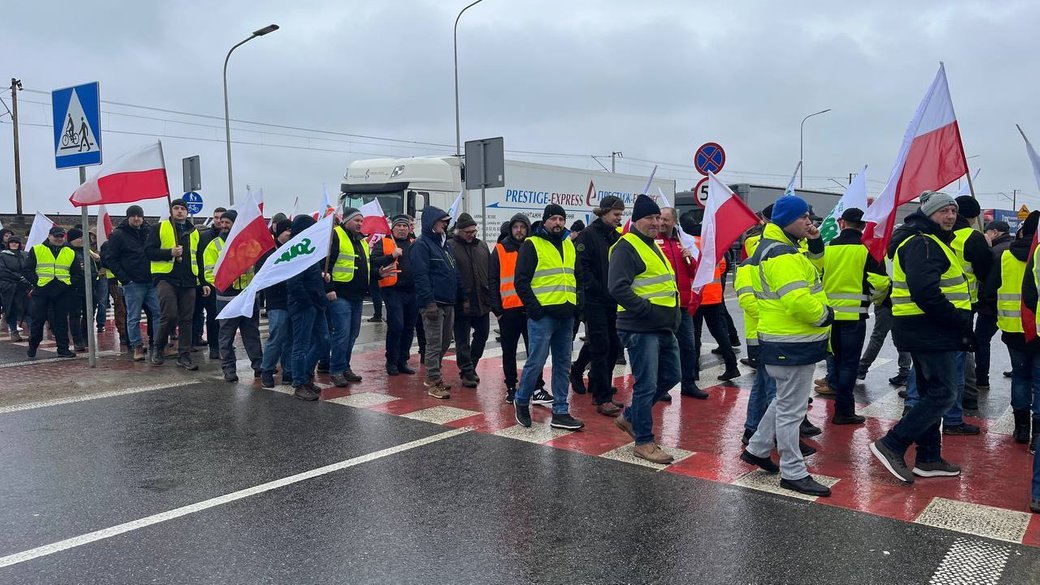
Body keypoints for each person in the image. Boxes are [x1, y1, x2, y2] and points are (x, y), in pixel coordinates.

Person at [871, 191, 971, 484]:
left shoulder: (929, 240)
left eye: (953, 211)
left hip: (924, 329)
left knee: (932, 393)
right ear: (928, 214)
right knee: (944, 393)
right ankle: (892, 443)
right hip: (930, 330)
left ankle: (928, 458)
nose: (950, 216)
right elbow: (925, 292)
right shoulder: (923, 242)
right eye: (943, 211)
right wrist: (958, 320)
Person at [740, 195, 834, 497]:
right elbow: (796, 300)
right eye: (804, 216)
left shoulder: (778, 248)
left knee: (783, 402)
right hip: (792, 341)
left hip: (784, 340)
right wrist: (824, 315)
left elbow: (814, 270)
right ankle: (793, 472)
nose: (810, 221)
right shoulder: (783, 254)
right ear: (787, 220)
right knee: (792, 410)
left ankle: (757, 448)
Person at [609, 195, 681, 463]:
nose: (656, 223)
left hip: (661, 327)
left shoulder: (652, 245)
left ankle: (629, 417)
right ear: (636, 220)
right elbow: (617, 287)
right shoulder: (627, 247)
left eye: (658, 218)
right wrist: (647, 311)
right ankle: (644, 442)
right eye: (650, 218)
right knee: (647, 384)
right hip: (640, 328)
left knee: (672, 375)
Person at [512, 204, 585, 431]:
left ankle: (561, 411)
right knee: (536, 361)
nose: (558, 223)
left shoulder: (569, 244)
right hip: (543, 316)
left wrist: (577, 306)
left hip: (566, 316)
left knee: (563, 365)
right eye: (553, 219)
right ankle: (522, 400)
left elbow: (578, 277)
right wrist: (535, 309)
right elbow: (521, 281)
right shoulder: (532, 244)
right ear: (545, 221)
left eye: (561, 219)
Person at [818, 208, 890, 424]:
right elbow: (880, 283)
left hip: (829, 317)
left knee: (835, 360)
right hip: (855, 318)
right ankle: (844, 411)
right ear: (863, 225)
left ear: (843, 223)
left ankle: (838, 405)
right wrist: (874, 300)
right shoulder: (868, 250)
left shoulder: (828, 248)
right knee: (849, 364)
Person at [572, 196, 625, 414]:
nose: (619, 218)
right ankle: (602, 397)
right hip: (595, 301)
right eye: (616, 214)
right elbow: (582, 268)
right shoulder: (588, 235)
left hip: (614, 301)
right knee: (602, 346)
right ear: (603, 213)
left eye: (621, 215)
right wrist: (596, 289)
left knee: (614, 347)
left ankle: (588, 376)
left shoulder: (616, 236)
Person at [490, 213, 545, 404]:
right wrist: (497, 310)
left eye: (522, 227)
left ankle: (537, 387)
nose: (519, 230)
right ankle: (511, 387)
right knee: (509, 351)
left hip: (530, 308)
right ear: (510, 229)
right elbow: (493, 281)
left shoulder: (534, 247)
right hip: (509, 310)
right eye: (515, 227)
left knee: (535, 351)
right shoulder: (500, 250)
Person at [146, 198, 208, 370]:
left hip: (188, 279)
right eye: (176, 208)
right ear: (171, 211)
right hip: (166, 277)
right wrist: (169, 252)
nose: (179, 211)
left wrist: (203, 281)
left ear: (187, 212)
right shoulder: (159, 227)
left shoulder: (194, 232)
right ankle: (158, 347)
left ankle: (184, 355)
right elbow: (148, 252)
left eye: (182, 208)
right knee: (170, 314)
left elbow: (199, 258)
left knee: (187, 319)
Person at [203, 209, 263, 382]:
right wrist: (225, 281)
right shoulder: (214, 246)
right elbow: (209, 272)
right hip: (226, 297)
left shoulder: (251, 244)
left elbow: (258, 267)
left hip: (247, 295)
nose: (223, 226)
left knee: (251, 333)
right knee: (226, 336)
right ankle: (229, 369)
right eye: (221, 222)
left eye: (227, 222)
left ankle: (258, 366)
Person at [411, 206, 462, 399]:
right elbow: (421, 275)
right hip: (433, 303)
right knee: (433, 343)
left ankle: (432, 374)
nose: (446, 223)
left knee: (445, 341)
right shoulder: (421, 245)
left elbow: (453, 271)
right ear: (432, 222)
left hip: (448, 302)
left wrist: (460, 296)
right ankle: (434, 380)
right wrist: (428, 302)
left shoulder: (444, 245)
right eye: (442, 220)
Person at [656, 208, 704, 400]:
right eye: (660, 219)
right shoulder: (654, 243)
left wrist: (689, 258)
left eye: (666, 219)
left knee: (688, 346)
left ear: (675, 222)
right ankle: (661, 386)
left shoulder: (680, 243)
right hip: (664, 305)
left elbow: (694, 272)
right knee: (662, 347)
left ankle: (689, 383)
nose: (661, 222)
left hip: (683, 305)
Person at [106, 205, 161, 361]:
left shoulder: (149, 231)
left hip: (151, 280)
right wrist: (125, 278)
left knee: (158, 313)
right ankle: (137, 346)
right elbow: (111, 258)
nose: (137, 219)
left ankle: (158, 345)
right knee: (133, 316)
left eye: (139, 216)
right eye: (133, 216)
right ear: (128, 217)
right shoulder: (118, 235)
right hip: (132, 283)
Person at [287, 214, 330, 400]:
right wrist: (309, 302)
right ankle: (299, 382)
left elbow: (309, 277)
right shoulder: (298, 251)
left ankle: (305, 375)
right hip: (304, 305)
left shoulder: (309, 249)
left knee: (324, 341)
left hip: (316, 304)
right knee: (301, 345)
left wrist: (321, 277)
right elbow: (293, 283)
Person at [691, 224, 741, 382]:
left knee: (695, 335)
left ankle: (694, 370)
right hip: (714, 296)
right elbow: (723, 266)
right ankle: (731, 366)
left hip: (697, 296)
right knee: (720, 333)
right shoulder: (712, 245)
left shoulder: (689, 245)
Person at [370, 214, 418, 376]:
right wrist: (392, 256)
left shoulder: (414, 243)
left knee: (409, 327)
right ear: (393, 228)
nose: (402, 229)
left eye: (405, 226)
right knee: (396, 326)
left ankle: (402, 360)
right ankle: (391, 360)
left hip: (413, 291)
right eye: (399, 226)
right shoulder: (384, 242)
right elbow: (373, 261)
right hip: (393, 291)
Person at [448, 213, 491, 388]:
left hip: (481, 300)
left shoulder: (482, 246)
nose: (472, 234)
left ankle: (471, 365)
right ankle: (466, 371)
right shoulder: (450, 246)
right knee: (462, 339)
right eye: (468, 231)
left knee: (482, 334)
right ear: (459, 231)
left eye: (474, 230)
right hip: (461, 301)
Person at [1010, 213, 1040, 449]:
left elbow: (991, 288)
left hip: (1013, 328)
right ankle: (1037, 438)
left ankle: (1021, 430)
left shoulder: (1005, 255)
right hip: (1037, 329)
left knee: (1020, 376)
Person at [25, 226, 77, 359]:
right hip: (42, 290)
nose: (59, 239)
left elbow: (77, 273)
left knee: (61, 322)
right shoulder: (37, 249)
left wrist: (68, 284)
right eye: (56, 236)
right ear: (49, 236)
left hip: (62, 291)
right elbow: (27, 269)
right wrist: (37, 283)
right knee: (38, 321)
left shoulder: (70, 252)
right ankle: (33, 346)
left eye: (61, 236)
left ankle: (63, 349)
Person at [976, 220, 1012, 392]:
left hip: (990, 307)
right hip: (1014, 306)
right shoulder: (1013, 248)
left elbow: (987, 281)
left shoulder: (995, 251)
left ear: (995, 232)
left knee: (981, 341)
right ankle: (1019, 369)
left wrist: (983, 299)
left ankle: (982, 378)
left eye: (987, 231)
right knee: (1015, 342)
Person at [258, 219, 294, 388]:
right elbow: (263, 273)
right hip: (277, 300)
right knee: (277, 335)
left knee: (290, 338)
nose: (290, 233)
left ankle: (288, 371)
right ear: (279, 233)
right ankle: (267, 370)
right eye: (287, 230)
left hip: (293, 299)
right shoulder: (269, 251)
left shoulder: (295, 248)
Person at [194, 206, 226, 357]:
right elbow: (199, 260)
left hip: (228, 283)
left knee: (226, 317)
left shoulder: (232, 236)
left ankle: (224, 344)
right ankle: (214, 347)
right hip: (210, 283)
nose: (219, 221)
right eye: (216, 217)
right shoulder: (204, 236)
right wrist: (203, 282)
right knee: (212, 315)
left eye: (222, 218)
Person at [66, 227, 99, 352]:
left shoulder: (87, 251)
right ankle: (77, 340)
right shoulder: (67, 251)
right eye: (79, 238)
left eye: (82, 238)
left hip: (90, 287)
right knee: (75, 314)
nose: (82, 240)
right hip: (75, 288)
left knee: (89, 314)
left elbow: (96, 265)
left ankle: (86, 337)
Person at [0, 236, 30, 342]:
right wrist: (19, 277)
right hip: (9, 287)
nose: (14, 244)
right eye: (12, 242)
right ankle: (14, 331)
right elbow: (2, 271)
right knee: (11, 310)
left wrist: (27, 278)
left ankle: (32, 332)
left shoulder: (25, 255)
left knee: (28, 309)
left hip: (24, 287)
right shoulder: (2, 256)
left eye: (16, 242)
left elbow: (29, 267)